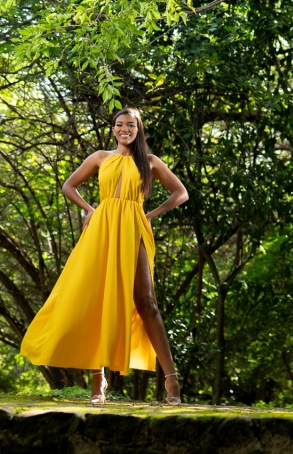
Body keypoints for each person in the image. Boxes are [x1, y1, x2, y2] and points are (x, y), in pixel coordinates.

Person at [20, 107, 189, 405]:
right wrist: (90, 209)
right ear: (113, 129)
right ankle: (98, 382)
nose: (125, 129)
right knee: (95, 300)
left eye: (131, 125)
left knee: (147, 303)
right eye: (119, 124)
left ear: (138, 129)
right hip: (101, 230)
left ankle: (172, 381)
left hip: (134, 229)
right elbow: (69, 185)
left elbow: (180, 193)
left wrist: (150, 215)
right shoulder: (100, 157)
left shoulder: (149, 162)